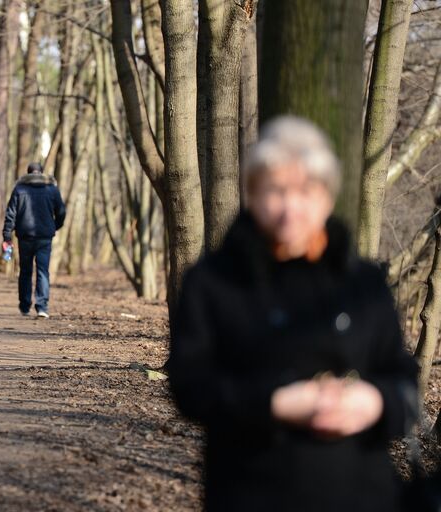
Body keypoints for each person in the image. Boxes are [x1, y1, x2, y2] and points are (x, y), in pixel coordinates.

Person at [167, 116, 418, 512]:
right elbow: (189, 386)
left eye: (306, 192)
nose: (291, 208)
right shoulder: (213, 281)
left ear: (328, 198)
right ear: (251, 194)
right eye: (276, 191)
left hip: (364, 493)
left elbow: (403, 379)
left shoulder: (364, 283)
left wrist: (375, 401)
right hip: (252, 491)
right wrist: (276, 403)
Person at [3, 163, 66, 318]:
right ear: (42, 173)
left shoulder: (19, 189)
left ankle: (24, 306)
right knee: (43, 271)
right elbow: (62, 212)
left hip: (25, 236)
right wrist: (54, 226)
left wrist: (7, 235)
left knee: (25, 271)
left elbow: (10, 214)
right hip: (45, 236)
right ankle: (42, 306)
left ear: (28, 173)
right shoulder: (52, 189)